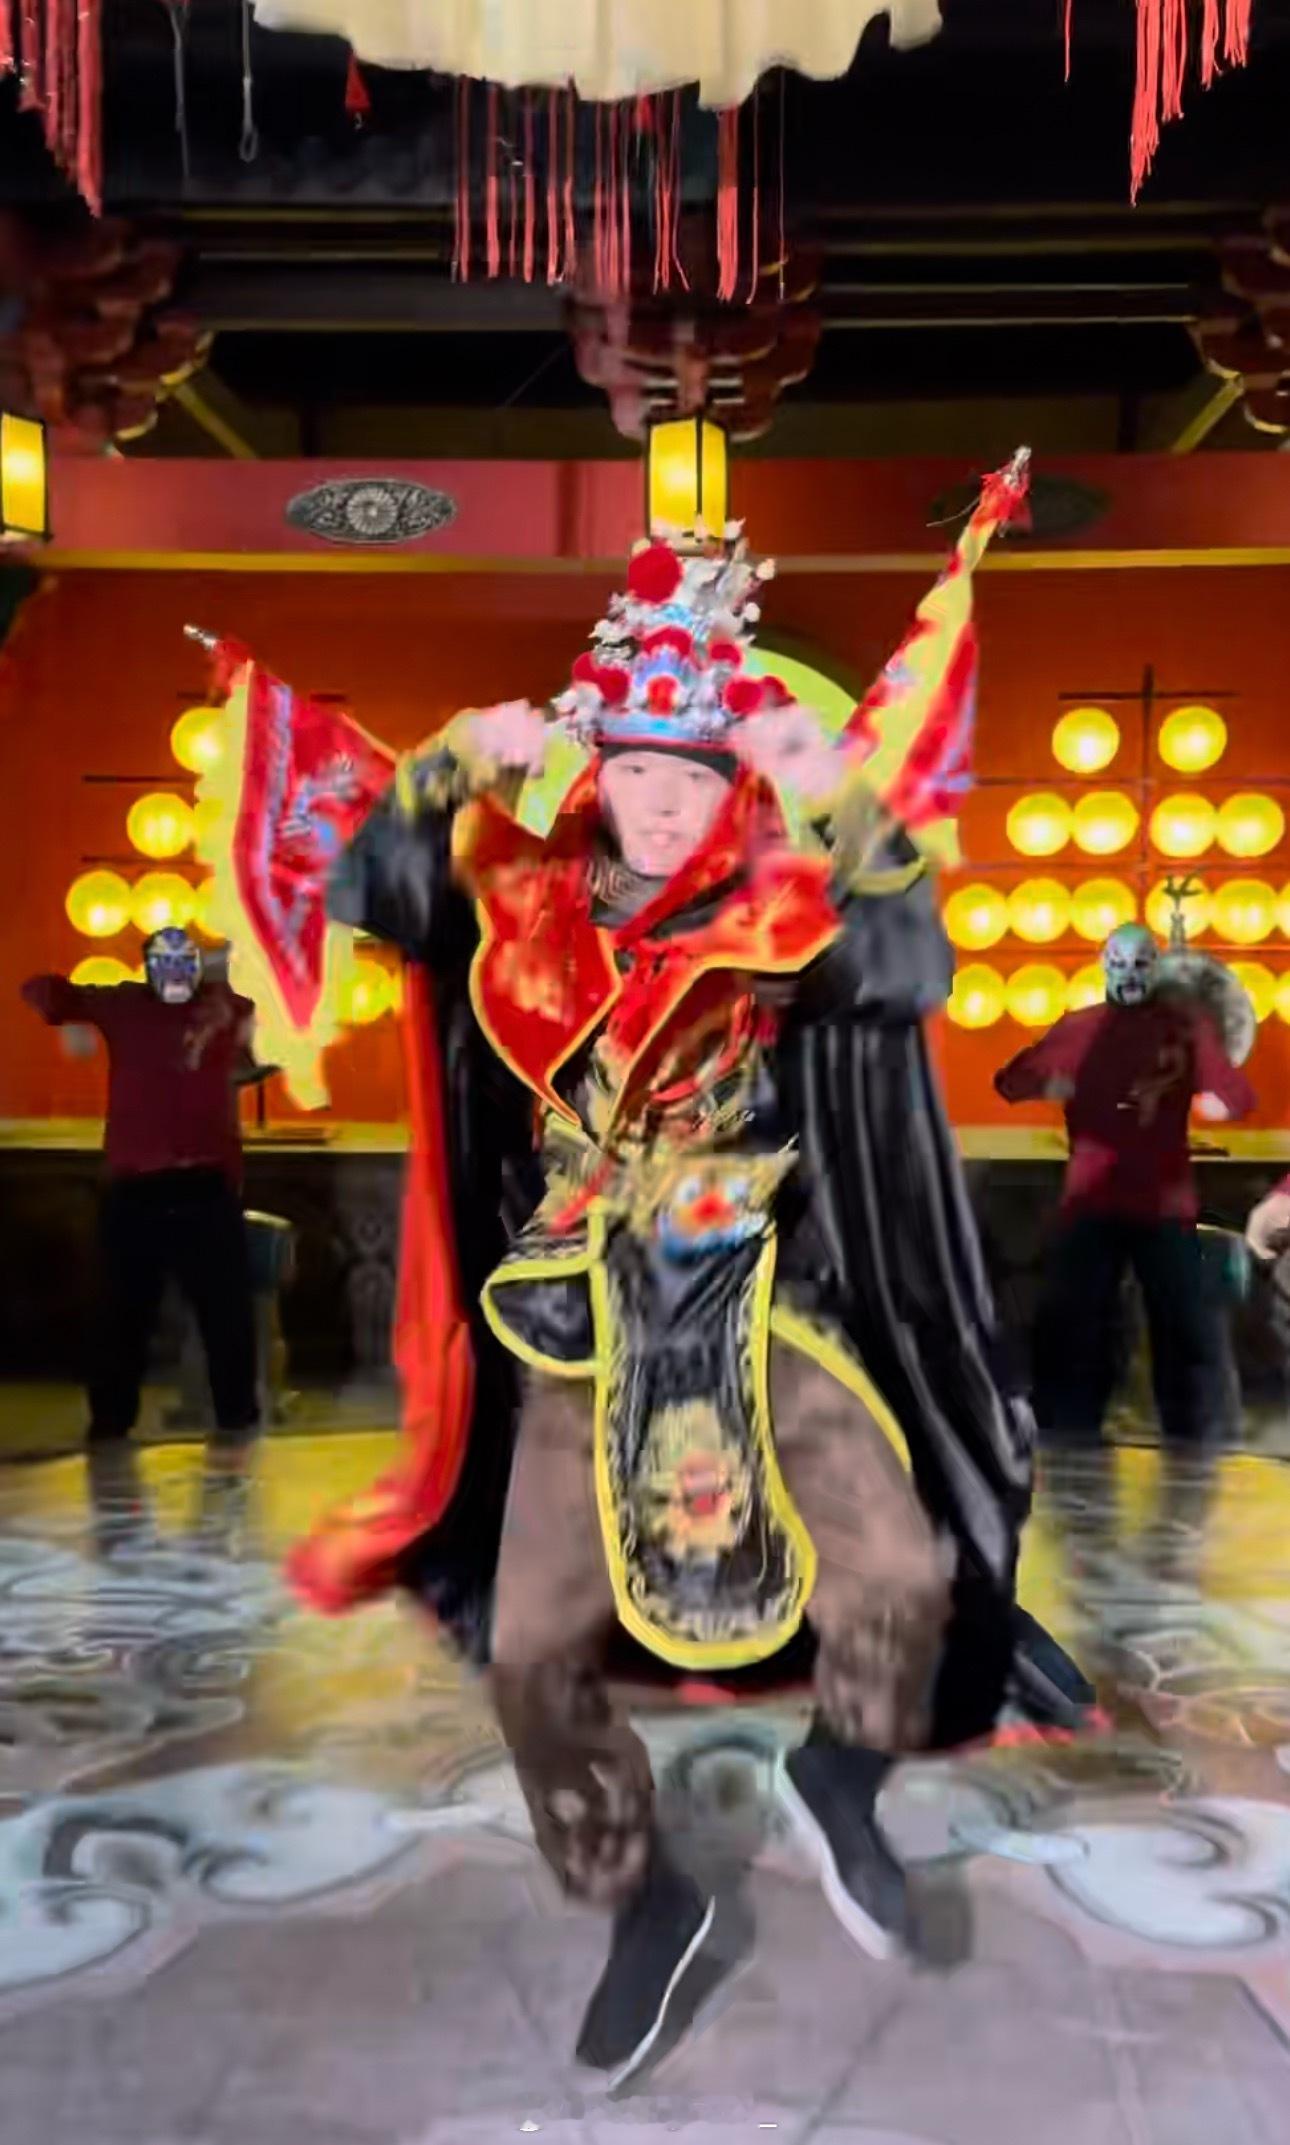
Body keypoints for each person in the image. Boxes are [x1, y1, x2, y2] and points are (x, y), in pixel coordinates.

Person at [195, 457, 1090, 2085]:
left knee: (901, 1576)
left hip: (764, 1297)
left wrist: (840, 790)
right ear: (598, 769)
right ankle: (640, 1893)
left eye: (690, 772)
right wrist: (455, 757)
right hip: (580, 1316)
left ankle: (840, 1781)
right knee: (532, 1654)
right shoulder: (522, 899)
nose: (664, 799)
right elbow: (374, 887)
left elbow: (908, 965)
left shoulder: (783, 906)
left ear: (724, 777)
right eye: (635, 769)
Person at [995, 921, 1254, 1450]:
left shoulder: (1177, 1029)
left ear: (1155, 968)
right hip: (1118, 1201)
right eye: (1121, 964)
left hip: (1143, 1202)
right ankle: (1094, 1435)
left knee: (1158, 1326)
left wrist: (1049, 1084)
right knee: (1106, 1324)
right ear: (1104, 967)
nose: (1131, 975)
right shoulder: (1102, 1028)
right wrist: (1048, 1082)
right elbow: (1012, 1080)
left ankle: (1094, 1433)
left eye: (1140, 964)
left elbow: (1236, 1097)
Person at [21, 926, 261, 1459]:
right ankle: (109, 1428)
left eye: (184, 962)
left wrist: (225, 967)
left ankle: (238, 1422)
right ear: (148, 969)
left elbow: (283, 1006)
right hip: (137, 1187)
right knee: (121, 1315)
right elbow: (42, 991)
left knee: (226, 1313)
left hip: (204, 1183)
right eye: (164, 963)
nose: (174, 973)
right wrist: (73, 1010)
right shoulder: (123, 1003)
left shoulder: (226, 1005)